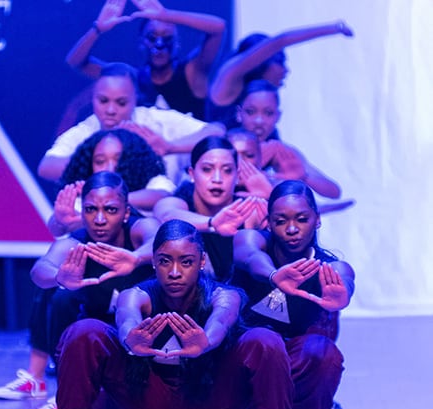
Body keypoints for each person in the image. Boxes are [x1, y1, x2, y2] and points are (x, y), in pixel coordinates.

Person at [20, 219, 319, 409]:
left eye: (186, 262)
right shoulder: (136, 294)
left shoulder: (224, 294)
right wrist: (130, 340)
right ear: (153, 262)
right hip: (150, 407)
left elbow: (221, 319)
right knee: (85, 331)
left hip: (212, 408)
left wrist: (206, 342)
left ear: (201, 261)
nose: (174, 272)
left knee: (263, 339)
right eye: (165, 261)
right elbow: (126, 316)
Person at [0, 173, 158, 409]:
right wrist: (61, 276)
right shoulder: (77, 241)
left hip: (143, 330)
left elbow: (159, 239)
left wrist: (135, 258)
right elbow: (40, 269)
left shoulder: (137, 230)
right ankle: (65, 395)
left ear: (125, 212)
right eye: (91, 210)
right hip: (96, 327)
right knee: (60, 297)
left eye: (111, 210)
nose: (100, 219)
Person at [232, 180, 355, 409]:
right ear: (268, 222)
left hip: (288, 362)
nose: (291, 229)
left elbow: (344, 278)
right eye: (281, 220)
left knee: (323, 353)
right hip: (239, 358)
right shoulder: (252, 240)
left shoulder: (329, 267)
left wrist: (342, 295)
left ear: (317, 219)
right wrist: (275, 276)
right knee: (265, 340)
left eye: (301, 219)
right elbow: (249, 256)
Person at [38, 62, 224, 186]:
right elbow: (47, 167)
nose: (110, 110)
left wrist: (169, 147)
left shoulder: (155, 121)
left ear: (135, 99)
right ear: (93, 98)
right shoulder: (87, 130)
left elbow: (217, 132)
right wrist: (101, 162)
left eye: (121, 103)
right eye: (103, 101)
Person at [66, 0, 225, 121]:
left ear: (177, 44)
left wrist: (166, 15)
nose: (159, 44)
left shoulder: (193, 73)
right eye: (152, 38)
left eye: (167, 38)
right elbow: (76, 61)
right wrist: (98, 29)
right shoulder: (129, 80)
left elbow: (218, 28)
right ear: (141, 42)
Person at [153, 136, 265, 282]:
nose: (217, 178)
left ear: (237, 175)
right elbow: (166, 214)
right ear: (192, 174)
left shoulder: (248, 209)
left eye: (227, 170)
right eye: (207, 169)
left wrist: (270, 196)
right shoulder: (180, 201)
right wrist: (212, 223)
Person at [208, 20, 354, 126]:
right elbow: (281, 40)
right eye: (281, 62)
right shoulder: (229, 78)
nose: (286, 70)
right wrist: (335, 28)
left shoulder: (258, 94)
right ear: (261, 60)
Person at [49, 128, 174, 236]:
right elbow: (57, 228)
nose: (110, 168)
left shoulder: (154, 182)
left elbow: (163, 196)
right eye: (100, 161)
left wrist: (108, 198)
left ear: (135, 161)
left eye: (119, 160)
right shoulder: (86, 192)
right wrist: (62, 221)